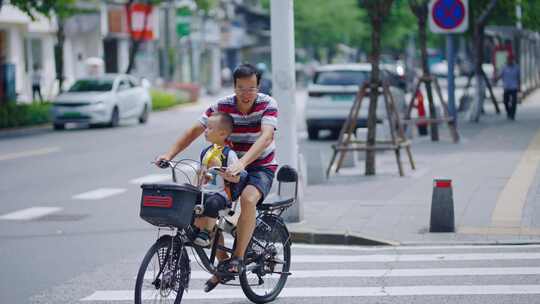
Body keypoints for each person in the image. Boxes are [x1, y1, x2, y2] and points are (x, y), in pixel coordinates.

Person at [156, 63, 278, 292]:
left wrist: (242, 163)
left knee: (248, 199)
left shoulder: (268, 104)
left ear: (258, 86)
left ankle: (237, 259)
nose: (246, 94)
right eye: (241, 88)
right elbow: (195, 130)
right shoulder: (222, 105)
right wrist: (169, 154)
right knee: (205, 205)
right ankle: (222, 260)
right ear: (234, 87)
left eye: (251, 88)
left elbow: (266, 137)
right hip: (227, 167)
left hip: (260, 167)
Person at [192, 112, 242, 247]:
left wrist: (221, 172)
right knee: (189, 198)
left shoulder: (228, 154)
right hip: (205, 191)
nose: (206, 131)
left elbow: (237, 178)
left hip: (221, 194)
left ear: (222, 134)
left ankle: (206, 232)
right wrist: (196, 184)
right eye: (206, 127)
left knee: (212, 203)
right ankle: (194, 228)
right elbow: (199, 175)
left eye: (210, 128)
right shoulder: (205, 152)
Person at [495, 55, 520, 120]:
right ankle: (508, 112)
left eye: (511, 59)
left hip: (514, 87)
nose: (510, 61)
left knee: (514, 102)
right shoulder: (504, 67)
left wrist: (519, 87)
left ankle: (512, 114)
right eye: (509, 59)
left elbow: (518, 78)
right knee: (505, 101)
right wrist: (496, 79)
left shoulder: (516, 67)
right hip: (506, 87)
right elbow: (500, 75)